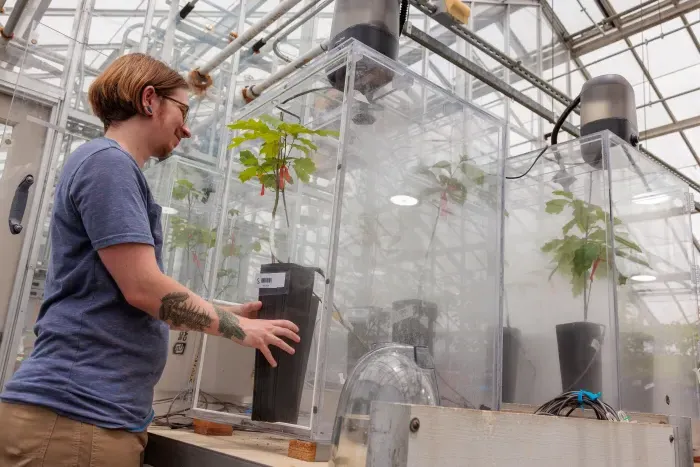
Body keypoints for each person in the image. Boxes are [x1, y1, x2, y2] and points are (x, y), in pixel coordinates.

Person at [0, 53, 300, 466]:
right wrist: (237, 329)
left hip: (86, 418)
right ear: (148, 100)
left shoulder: (107, 165)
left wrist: (228, 311)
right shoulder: (108, 164)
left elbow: (143, 298)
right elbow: (144, 289)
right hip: (76, 420)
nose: (189, 129)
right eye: (182, 109)